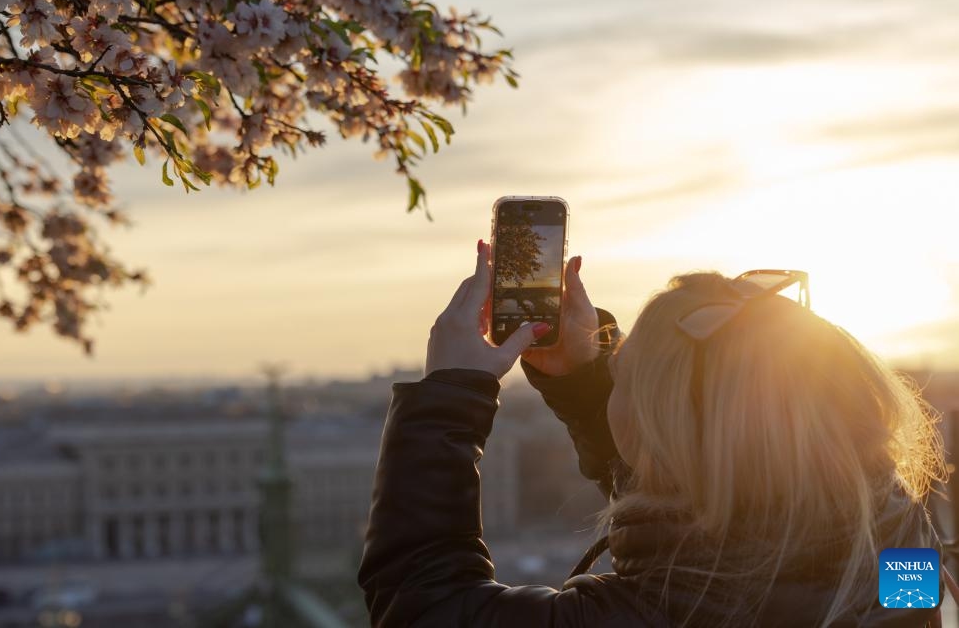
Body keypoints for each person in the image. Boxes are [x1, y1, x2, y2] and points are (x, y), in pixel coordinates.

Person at [357, 240, 954, 627]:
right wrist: (586, 382)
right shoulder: (901, 544)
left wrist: (447, 395)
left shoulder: (656, 612)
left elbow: (421, 601)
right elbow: (714, 487)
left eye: (622, 377)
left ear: (663, 427)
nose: (613, 382)